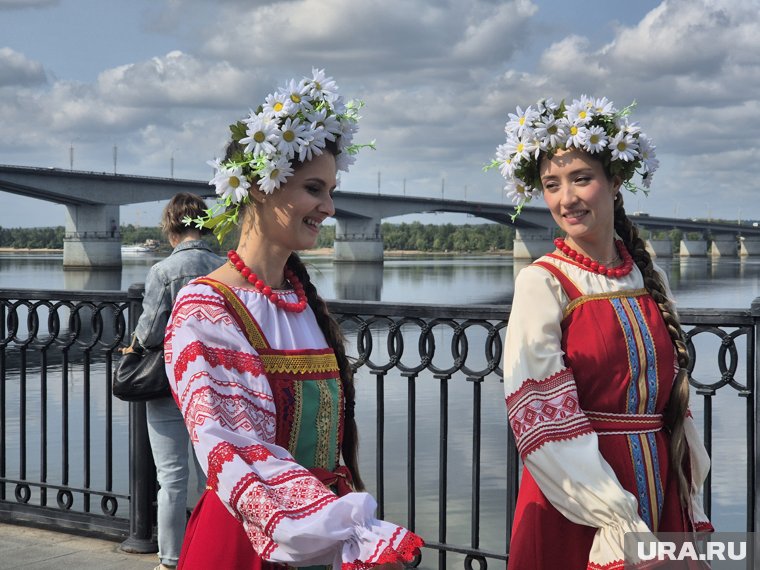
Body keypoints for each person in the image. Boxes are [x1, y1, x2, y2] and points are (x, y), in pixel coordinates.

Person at [164, 69, 423, 569]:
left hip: (315, 538)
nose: (328, 207)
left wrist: (342, 529)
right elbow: (235, 446)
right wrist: (348, 529)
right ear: (260, 188)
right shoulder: (207, 307)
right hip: (251, 540)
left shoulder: (300, 299)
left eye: (330, 190)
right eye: (313, 189)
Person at [491, 96, 714, 569]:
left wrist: (686, 496)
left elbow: (673, 405)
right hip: (578, 499)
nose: (565, 198)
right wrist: (616, 516)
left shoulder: (646, 274)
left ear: (616, 180)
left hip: (659, 480)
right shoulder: (543, 282)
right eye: (551, 185)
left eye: (581, 179)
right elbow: (543, 419)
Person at [128, 192, 224, 570]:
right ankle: (213, 555)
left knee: (171, 480)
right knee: (215, 479)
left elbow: (150, 332)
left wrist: (131, 348)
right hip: (215, 386)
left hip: (169, 384)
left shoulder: (163, 272)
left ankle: (171, 561)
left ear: (170, 228)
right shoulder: (225, 267)